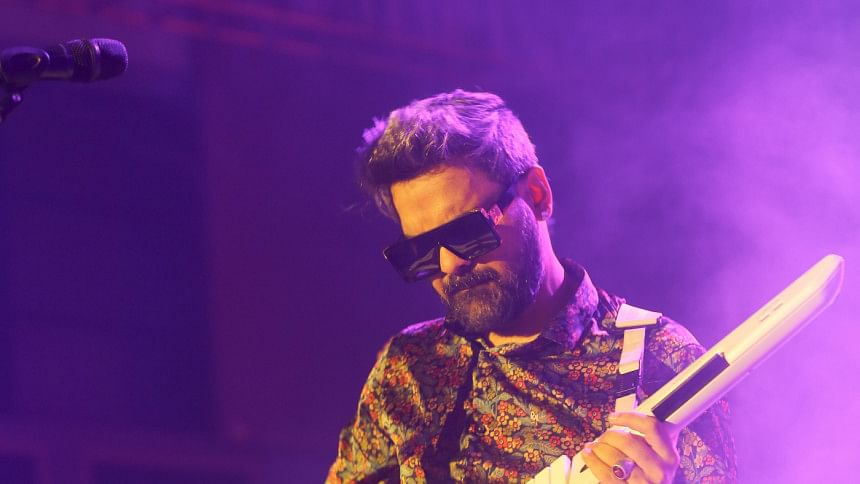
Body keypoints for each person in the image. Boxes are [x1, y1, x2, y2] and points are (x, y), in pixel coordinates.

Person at [328, 90, 736, 483]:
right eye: (421, 250)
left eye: (468, 231)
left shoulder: (661, 359)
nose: (450, 264)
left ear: (538, 196)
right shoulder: (408, 367)